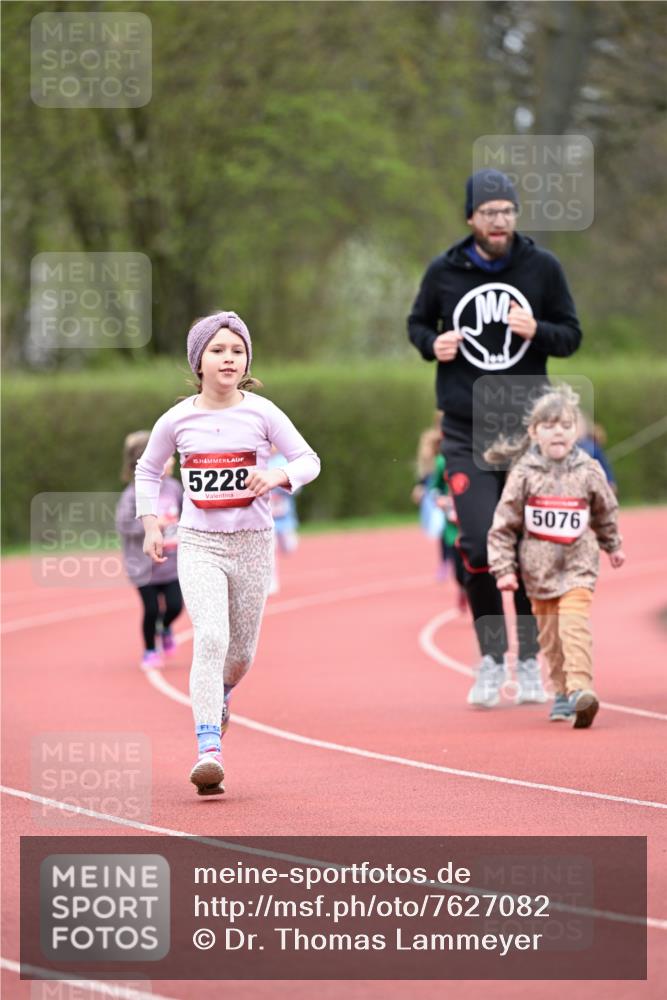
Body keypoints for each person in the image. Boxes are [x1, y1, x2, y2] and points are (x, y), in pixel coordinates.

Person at [408, 168, 583, 708]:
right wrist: (431, 344)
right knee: (480, 543)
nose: (500, 221)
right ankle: (490, 658)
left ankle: (529, 663)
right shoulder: (445, 270)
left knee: (530, 548)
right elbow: (417, 325)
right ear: (471, 219)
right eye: (490, 213)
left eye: (508, 212)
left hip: (527, 429)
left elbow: (571, 335)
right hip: (465, 430)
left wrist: (539, 332)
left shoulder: (542, 267)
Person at [136, 311, 320, 796]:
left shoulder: (262, 413)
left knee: (239, 656)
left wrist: (278, 476)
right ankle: (208, 749)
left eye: (237, 350)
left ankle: (219, 699)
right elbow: (147, 471)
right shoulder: (177, 419)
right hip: (199, 543)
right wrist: (151, 522)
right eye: (218, 350)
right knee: (211, 637)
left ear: (247, 360)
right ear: (199, 361)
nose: (228, 358)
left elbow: (308, 460)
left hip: (253, 543)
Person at [486, 385, 625, 728]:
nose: (558, 432)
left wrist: (613, 544)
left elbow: (605, 510)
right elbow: (503, 525)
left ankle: (581, 690)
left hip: (579, 566)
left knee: (574, 625)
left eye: (565, 425)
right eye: (549, 426)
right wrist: (504, 568)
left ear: (576, 430)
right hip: (539, 572)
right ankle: (563, 692)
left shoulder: (589, 469)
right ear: (534, 432)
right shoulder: (524, 473)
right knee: (550, 637)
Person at [115, 431, 184, 670]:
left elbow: (187, 514)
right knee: (151, 609)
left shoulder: (174, 488)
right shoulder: (133, 494)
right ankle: (150, 650)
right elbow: (123, 525)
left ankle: (164, 628)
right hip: (144, 568)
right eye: (167, 457)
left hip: (172, 563)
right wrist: (153, 525)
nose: (173, 460)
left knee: (176, 606)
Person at [267, 446, 301, 595]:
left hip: (285, 516)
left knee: (288, 547)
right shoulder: (259, 461)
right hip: (268, 517)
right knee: (270, 548)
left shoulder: (284, 461)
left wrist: (281, 485)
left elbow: (297, 485)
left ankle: (289, 540)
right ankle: (271, 581)